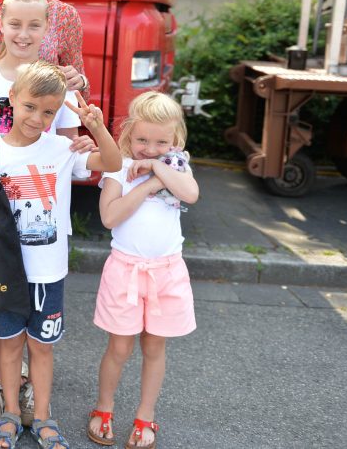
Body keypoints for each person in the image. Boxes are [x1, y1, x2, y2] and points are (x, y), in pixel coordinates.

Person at [0, 62, 122, 449]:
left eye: (49, 111)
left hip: (48, 272)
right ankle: (11, 415)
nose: (38, 117)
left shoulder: (63, 148)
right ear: (12, 99)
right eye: (31, 106)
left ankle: (45, 417)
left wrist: (96, 127)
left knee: (42, 346)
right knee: (9, 345)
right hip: (4, 269)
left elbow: (115, 164)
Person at [0, 0, 90, 429]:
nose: (24, 32)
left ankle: (30, 394)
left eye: (35, 25)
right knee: (0, 306)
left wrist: (88, 122)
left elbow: (69, 148)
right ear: (0, 25)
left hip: (41, 225)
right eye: (15, 23)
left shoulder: (58, 84)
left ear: (48, 29)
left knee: (32, 323)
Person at [86, 91, 199, 448]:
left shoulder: (176, 167)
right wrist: (149, 184)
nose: (150, 148)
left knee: (154, 349)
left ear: (175, 140)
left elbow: (191, 194)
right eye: (142, 141)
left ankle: (145, 416)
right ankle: (104, 409)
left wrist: (158, 168)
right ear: (128, 136)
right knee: (119, 349)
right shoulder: (119, 166)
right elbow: (109, 217)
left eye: (161, 142)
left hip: (167, 272)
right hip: (125, 271)